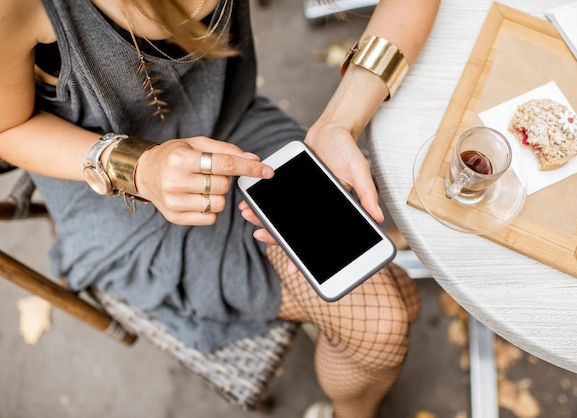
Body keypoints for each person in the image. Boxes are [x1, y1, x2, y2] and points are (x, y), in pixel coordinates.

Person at [0, 0, 440, 416]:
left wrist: (340, 120)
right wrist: (140, 167)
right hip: (116, 195)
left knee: (384, 318)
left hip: (232, 121)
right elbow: (9, 128)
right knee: (384, 319)